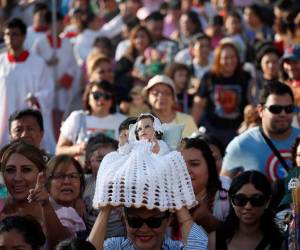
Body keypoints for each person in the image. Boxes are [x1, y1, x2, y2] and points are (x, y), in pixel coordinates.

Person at [221, 81, 300, 183]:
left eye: (289, 108)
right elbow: (222, 189)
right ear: (260, 110)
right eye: (275, 109)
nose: (283, 114)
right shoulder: (241, 145)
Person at [0, 140, 72, 249]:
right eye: (10, 170)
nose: (17, 178)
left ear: (42, 174)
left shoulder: (63, 214)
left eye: (26, 170)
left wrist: (45, 205)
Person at [0, 18, 55, 153]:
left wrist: (38, 98)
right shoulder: (1, 62)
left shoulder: (37, 62)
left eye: (15, 34)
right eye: (7, 34)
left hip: (31, 116)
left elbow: (48, 89)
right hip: (4, 117)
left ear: (24, 36)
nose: (10, 38)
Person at [192, 41, 252, 146]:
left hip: (238, 130)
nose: (229, 61)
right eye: (225, 58)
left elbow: (252, 102)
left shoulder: (245, 77)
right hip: (213, 130)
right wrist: (192, 128)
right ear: (218, 60)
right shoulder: (210, 77)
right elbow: (199, 104)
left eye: (233, 57)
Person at [208, 170, 284, 250]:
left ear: (267, 202)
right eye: (240, 199)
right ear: (231, 201)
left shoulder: (279, 243)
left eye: (256, 199)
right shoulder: (213, 241)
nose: (248, 206)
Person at [56, 80, 126, 157]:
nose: (101, 99)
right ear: (88, 97)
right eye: (97, 95)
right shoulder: (77, 117)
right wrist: (77, 148)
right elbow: (59, 150)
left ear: (112, 100)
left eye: (107, 96)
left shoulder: (123, 121)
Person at [179, 137, 230, 233]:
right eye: (180, 165)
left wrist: (208, 221)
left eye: (194, 164)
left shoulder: (228, 197)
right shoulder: (163, 201)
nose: (186, 171)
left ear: (209, 167)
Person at [83, 133, 125, 237]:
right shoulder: (83, 184)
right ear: (88, 164)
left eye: (112, 159)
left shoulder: (126, 186)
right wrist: (76, 201)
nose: (107, 164)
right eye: (100, 160)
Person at [46, 154, 87, 233]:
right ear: (47, 183)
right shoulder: (43, 215)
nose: (67, 181)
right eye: (59, 176)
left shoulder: (87, 208)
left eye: (72, 176)